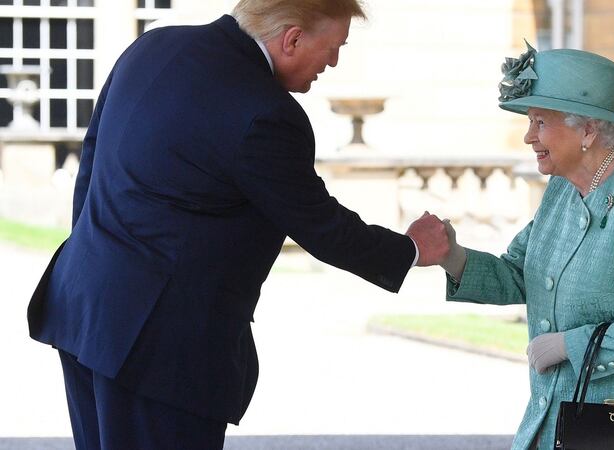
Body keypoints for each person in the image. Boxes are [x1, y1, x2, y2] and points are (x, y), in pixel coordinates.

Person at [26, 1, 449, 448]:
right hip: (159, 351)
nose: (334, 62)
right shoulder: (267, 112)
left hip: (82, 306)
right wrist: (412, 250)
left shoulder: (152, 46)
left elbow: (91, 166)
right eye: (334, 47)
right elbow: (321, 226)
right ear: (292, 39)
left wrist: (97, 260)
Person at [434, 43, 614, 449]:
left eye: (540, 122)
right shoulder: (562, 187)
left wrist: (569, 345)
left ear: (587, 129)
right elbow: (519, 271)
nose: (529, 136)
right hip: (562, 415)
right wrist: (452, 257)